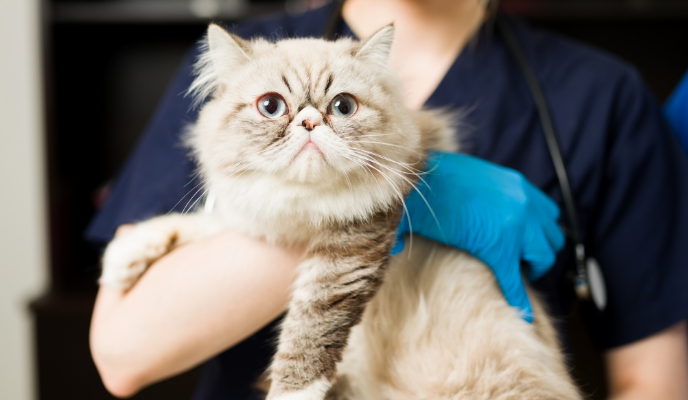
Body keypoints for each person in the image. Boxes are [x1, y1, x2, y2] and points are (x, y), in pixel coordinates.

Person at [87, 0, 688, 399]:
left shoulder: (601, 96)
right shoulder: (249, 60)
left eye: (341, 108)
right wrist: (382, 206)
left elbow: (652, 380)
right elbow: (123, 355)